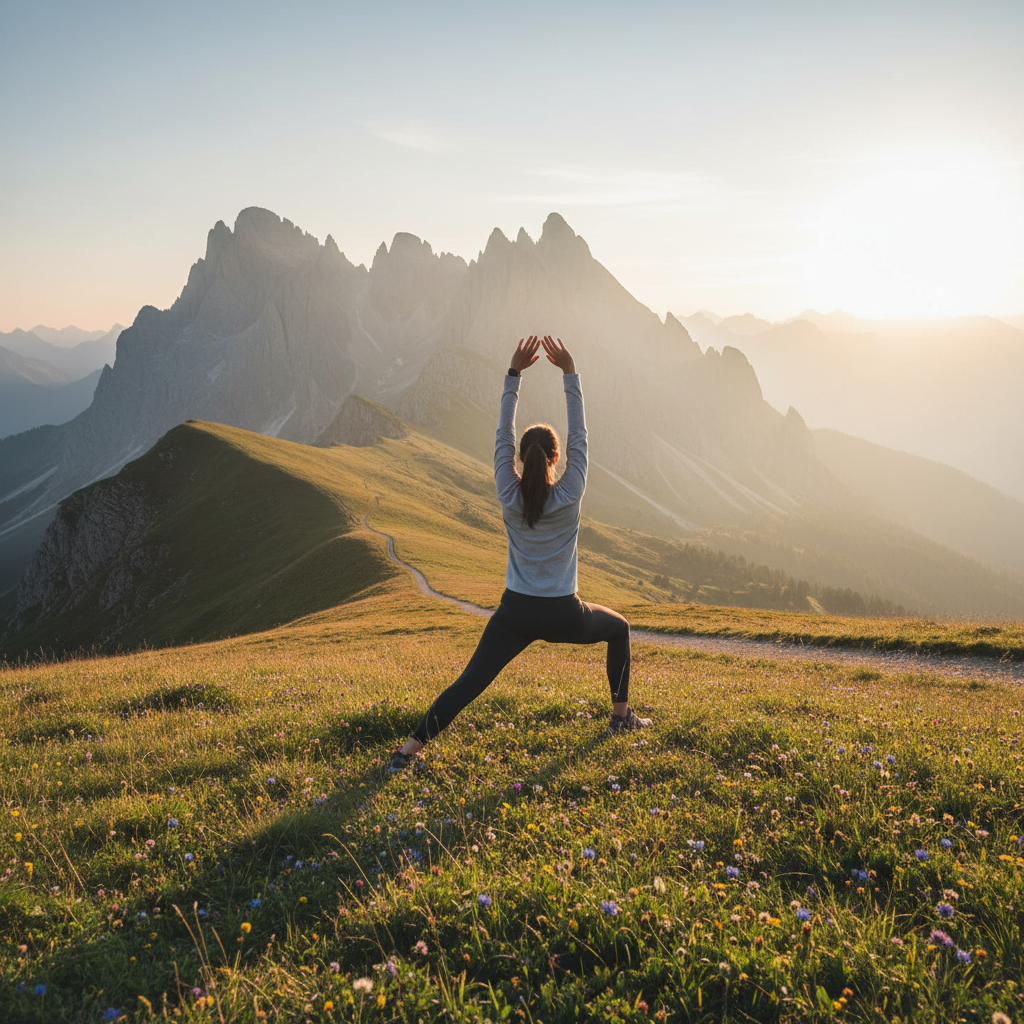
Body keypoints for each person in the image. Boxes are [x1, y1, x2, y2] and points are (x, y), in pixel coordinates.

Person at [388, 335, 651, 773]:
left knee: (469, 683)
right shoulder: (570, 492)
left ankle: (406, 753)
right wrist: (570, 373)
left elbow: (501, 436)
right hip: (565, 613)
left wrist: (513, 375)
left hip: (514, 613)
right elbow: (581, 436)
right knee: (619, 629)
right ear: (555, 459)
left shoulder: (508, 492)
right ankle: (620, 719)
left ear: (518, 460)